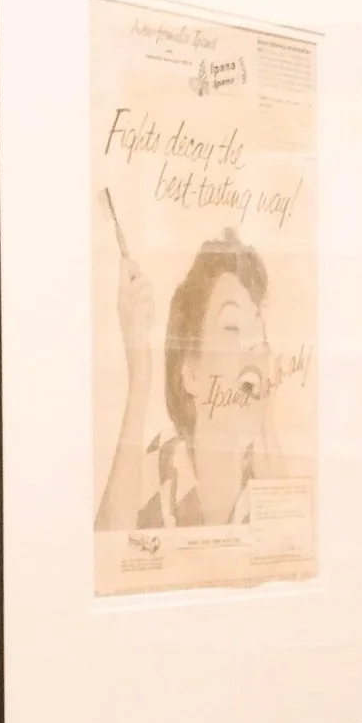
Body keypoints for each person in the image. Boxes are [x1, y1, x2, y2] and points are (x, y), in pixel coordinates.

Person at [95, 223, 277, 533]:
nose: (251, 348)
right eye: (232, 327)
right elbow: (108, 558)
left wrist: (267, 424)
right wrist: (140, 375)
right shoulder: (161, 466)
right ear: (190, 375)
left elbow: (293, 556)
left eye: (257, 333)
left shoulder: (266, 474)